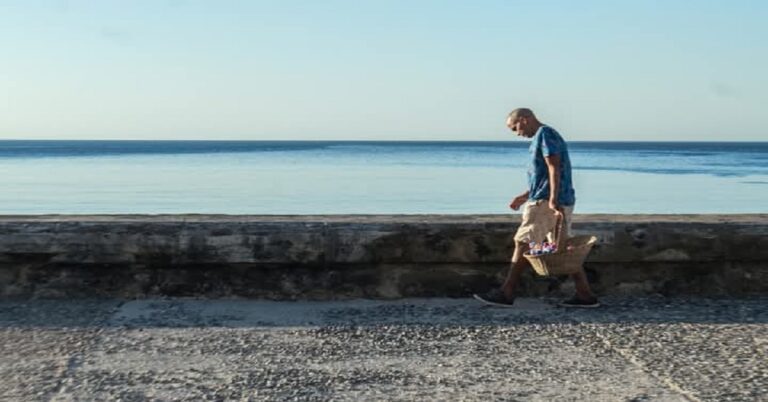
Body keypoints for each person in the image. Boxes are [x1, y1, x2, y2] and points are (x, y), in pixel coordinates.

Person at [474, 108, 599, 308]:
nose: (517, 133)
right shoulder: (544, 136)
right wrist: (524, 196)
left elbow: (554, 167)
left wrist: (552, 199)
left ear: (525, 119)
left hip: (546, 203)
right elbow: (543, 176)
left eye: (515, 127)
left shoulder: (545, 134)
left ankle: (506, 293)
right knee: (560, 247)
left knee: (523, 242)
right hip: (551, 198)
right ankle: (585, 295)